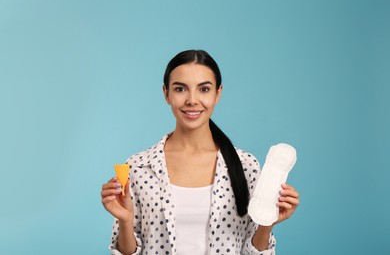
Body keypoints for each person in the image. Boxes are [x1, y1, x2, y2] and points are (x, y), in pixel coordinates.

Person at [101, 49, 300, 255]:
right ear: (166, 94)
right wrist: (125, 221)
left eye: (204, 89)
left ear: (218, 94)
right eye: (180, 89)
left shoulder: (245, 166)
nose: (192, 100)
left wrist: (267, 222)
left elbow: (252, 252)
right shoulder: (138, 167)